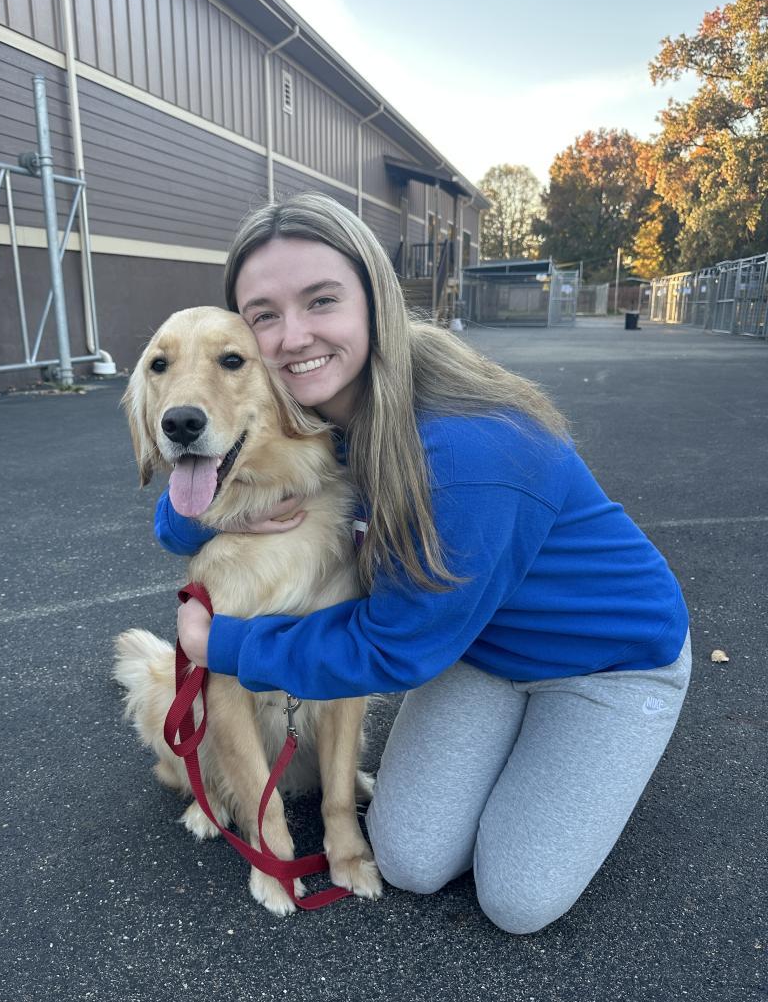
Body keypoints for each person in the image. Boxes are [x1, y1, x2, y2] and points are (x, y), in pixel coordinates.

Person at [157, 191, 691, 935]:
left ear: (375, 300)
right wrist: (208, 514)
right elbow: (198, 495)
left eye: (321, 300)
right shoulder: (320, 416)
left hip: (606, 660)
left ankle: (584, 754)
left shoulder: (467, 450)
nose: (294, 334)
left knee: (518, 898)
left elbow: (395, 647)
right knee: (411, 859)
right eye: (265, 314)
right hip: (477, 652)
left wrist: (226, 646)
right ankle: (521, 756)